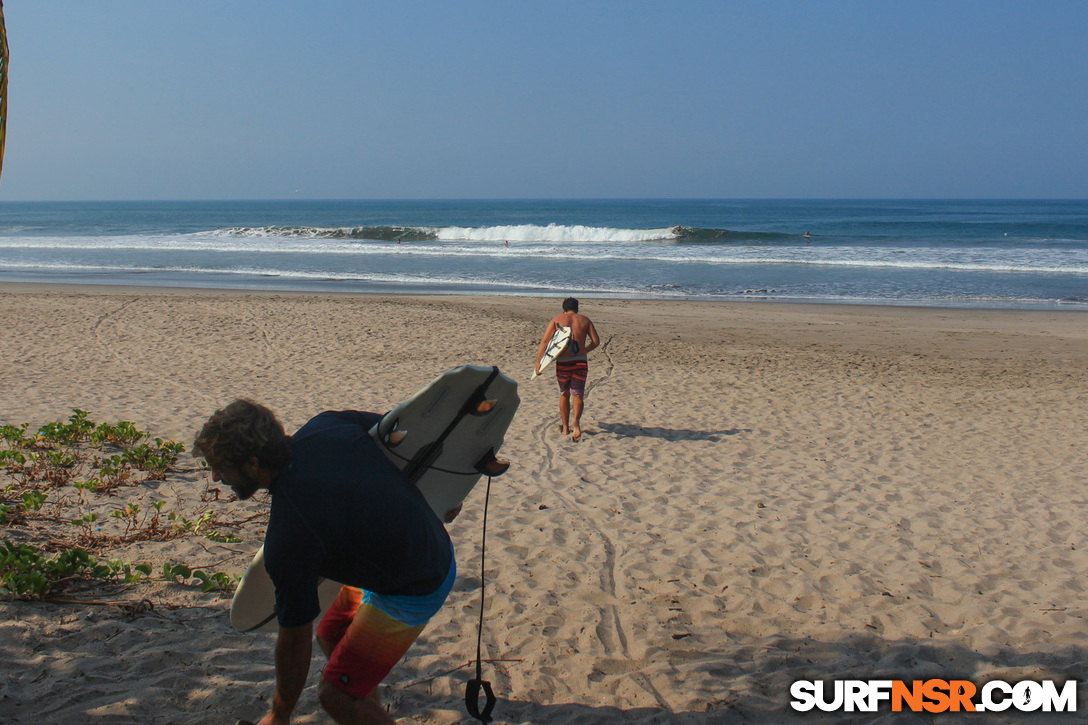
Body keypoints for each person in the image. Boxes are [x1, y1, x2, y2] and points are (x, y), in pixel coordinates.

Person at [193, 400, 458, 725]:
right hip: (422, 542)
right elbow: (404, 435)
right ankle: (365, 708)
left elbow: (294, 638)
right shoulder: (328, 427)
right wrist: (449, 489)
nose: (216, 476)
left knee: (336, 695)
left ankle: (356, 704)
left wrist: (279, 714)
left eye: (219, 467)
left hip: (417, 582)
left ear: (252, 463)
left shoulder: (289, 537)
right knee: (331, 634)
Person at [535, 297, 600, 442]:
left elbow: (545, 341)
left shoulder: (557, 320)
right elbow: (596, 342)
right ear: (577, 309)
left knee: (564, 394)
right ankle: (576, 421)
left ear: (563, 309)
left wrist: (538, 363)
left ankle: (565, 428)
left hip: (563, 362)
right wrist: (585, 350)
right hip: (580, 362)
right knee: (578, 394)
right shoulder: (584, 320)